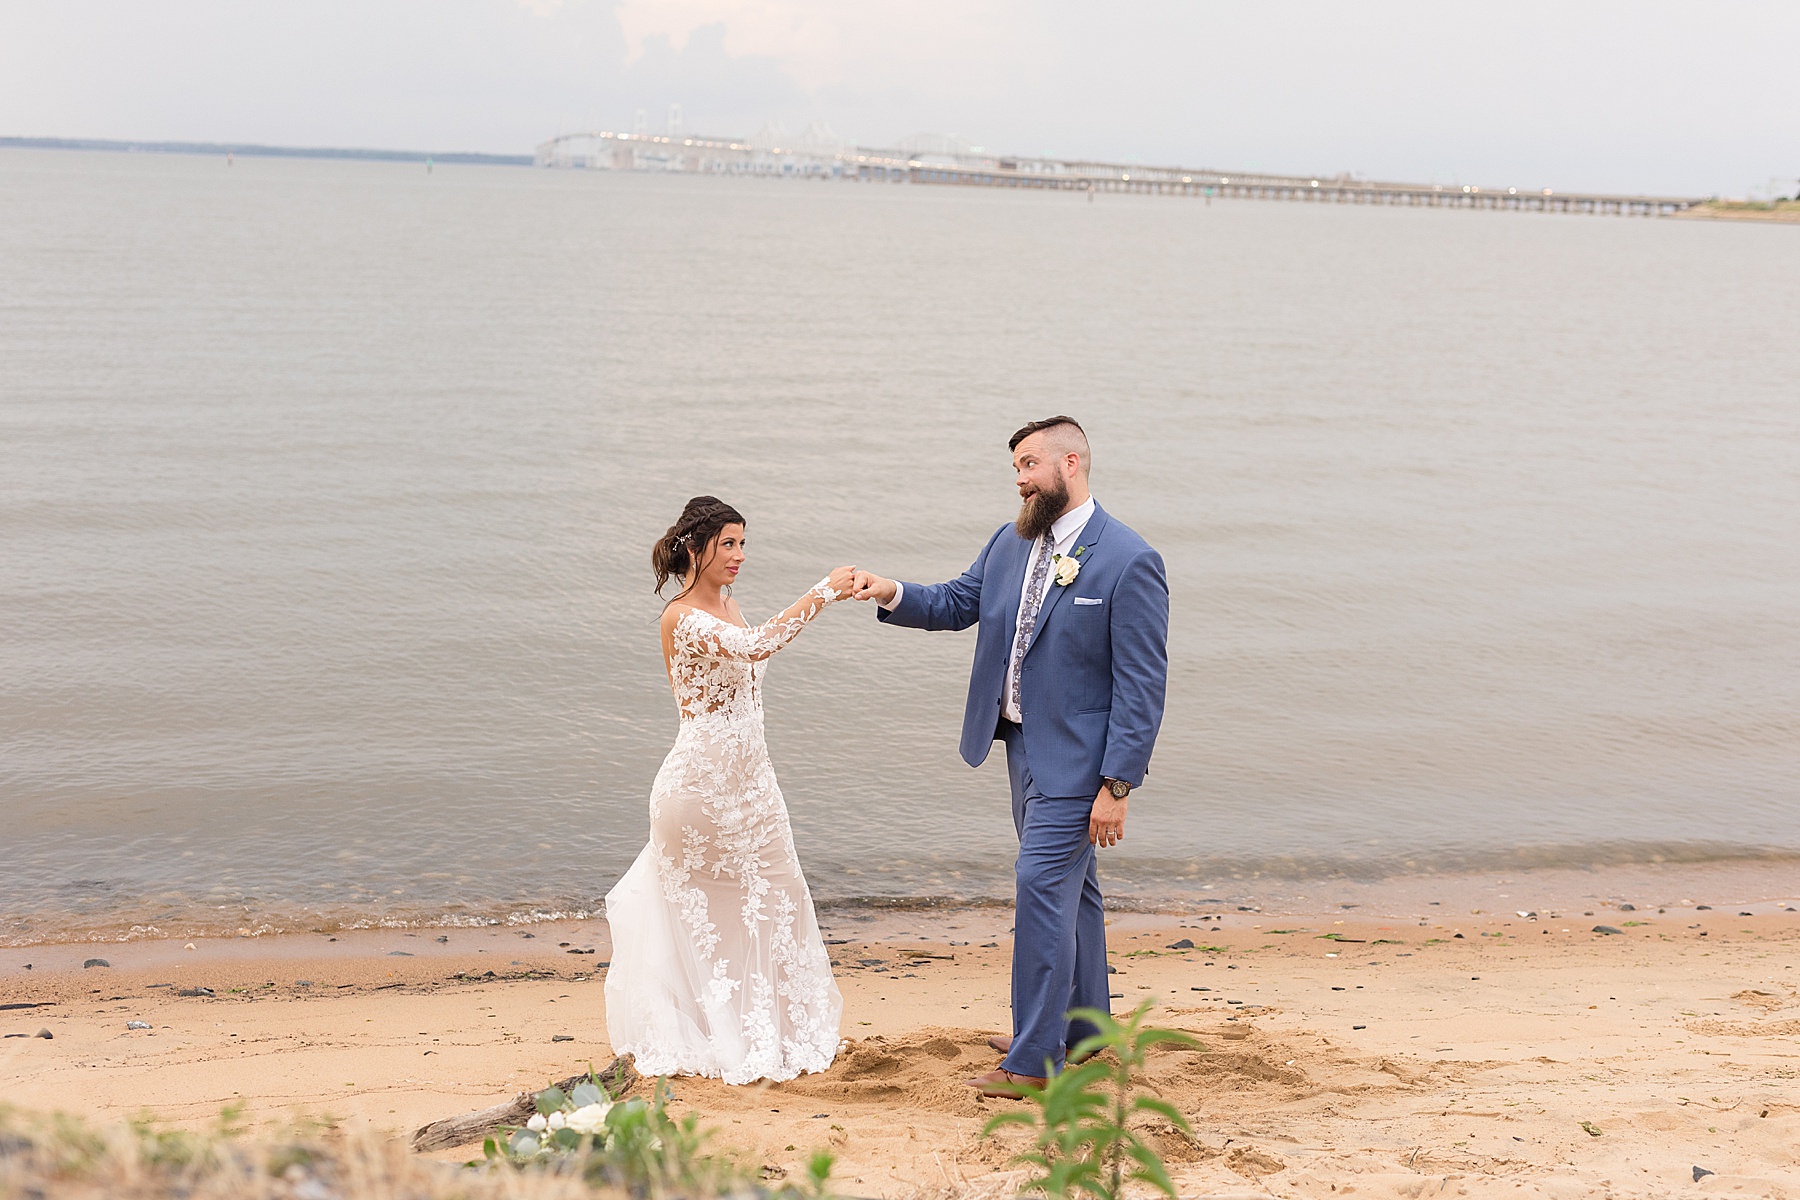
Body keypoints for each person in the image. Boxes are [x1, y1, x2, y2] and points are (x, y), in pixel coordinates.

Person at [850, 417, 1169, 1096]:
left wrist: (1118, 783)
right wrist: (890, 591)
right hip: (1020, 748)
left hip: (1082, 763)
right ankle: (1083, 1032)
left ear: (1071, 462)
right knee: (1072, 892)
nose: (1020, 479)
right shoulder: (1011, 541)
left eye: (1029, 465)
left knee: (1039, 890)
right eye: (1016, 469)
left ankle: (1031, 1063)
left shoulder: (1128, 560)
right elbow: (959, 602)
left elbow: (1143, 683)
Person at [604, 495, 858, 1084]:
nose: (739, 555)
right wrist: (822, 591)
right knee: (709, 918)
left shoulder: (731, 605)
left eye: (743, 543)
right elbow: (756, 647)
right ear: (695, 548)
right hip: (699, 792)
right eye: (728, 544)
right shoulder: (681, 617)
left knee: (779, 898)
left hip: (754, 789)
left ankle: (774, 1031)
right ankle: (716, 1035)